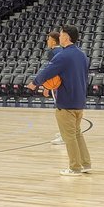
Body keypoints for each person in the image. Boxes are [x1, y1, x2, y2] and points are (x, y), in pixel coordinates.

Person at [28, 24, 91, 176]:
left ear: (66, 37)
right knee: (77, 134)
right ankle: (86, 163)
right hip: (80, 100)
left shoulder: (62, 56)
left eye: (61, 34)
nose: (60, 36)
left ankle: (75, 167)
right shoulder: (82, 55)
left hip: (66, 101)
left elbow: (47, 72)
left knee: (69, 137)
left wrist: (34, 83)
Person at [45, 31, 64, 145]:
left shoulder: (52, 52)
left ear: (53, 41)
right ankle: (64, 132)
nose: (47, 41)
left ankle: (64, 135)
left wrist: (47, 86)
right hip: (66, 83)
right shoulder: (63, 50)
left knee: (60, 110)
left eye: (48, 39)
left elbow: (51, 71)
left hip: (57, 85)